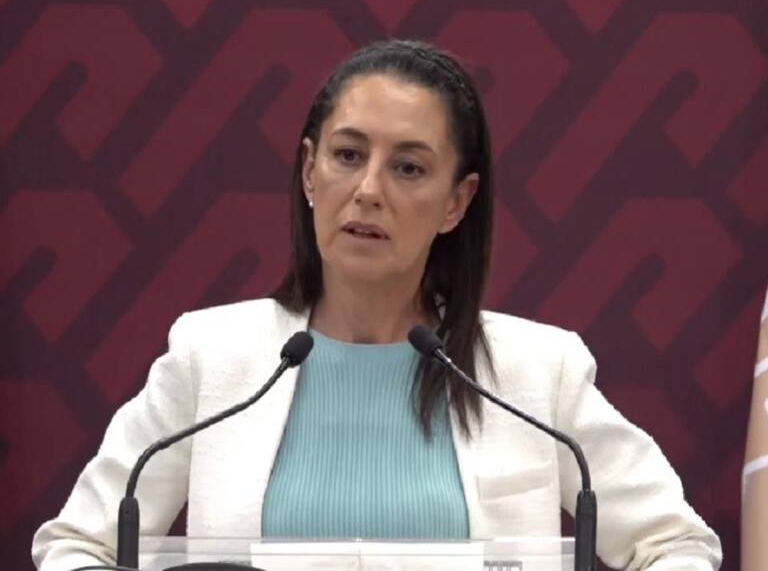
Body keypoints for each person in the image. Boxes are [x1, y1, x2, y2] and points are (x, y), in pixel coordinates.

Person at [32, 40, 721, 570]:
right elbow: (75, 545)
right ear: (309, 172)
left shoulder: (537, 373)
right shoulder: (212, 359)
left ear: (457, 202)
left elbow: (678, 544)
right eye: (347, 155)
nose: (367, 190)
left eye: (408, 167)